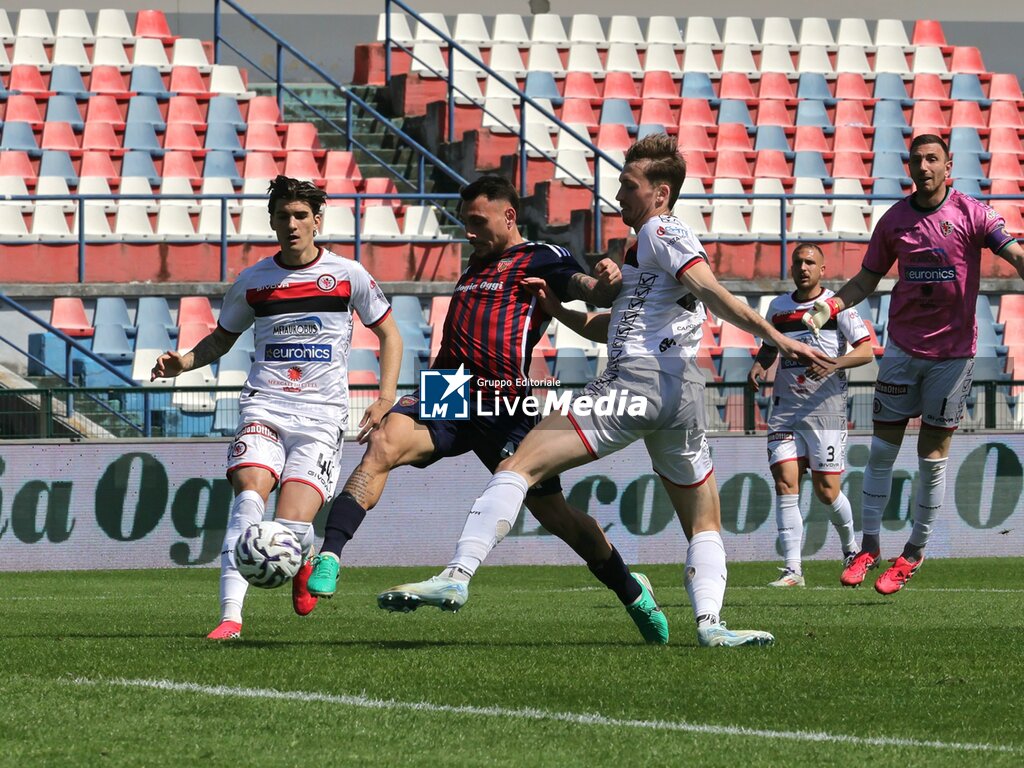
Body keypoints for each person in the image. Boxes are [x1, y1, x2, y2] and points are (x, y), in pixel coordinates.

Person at [383, 135, 833, 647]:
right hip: (680, 396)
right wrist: (555, 309)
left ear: (660, 194)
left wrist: (774, 337)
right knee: (704, 517)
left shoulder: (662, 231)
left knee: (517, 467)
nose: (618, 196)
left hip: (635, 385)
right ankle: (711, 625)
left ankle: (457, 575)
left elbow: (711, 289)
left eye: (628, 186)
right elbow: (611, 326)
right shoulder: (645, 259)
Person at [306, 174, 671, 644]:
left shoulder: (541, 255)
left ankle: (632, 593)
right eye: (464, 222)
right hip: (449, 389)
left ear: (509, 216)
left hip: (504, 401)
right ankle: (331, 555)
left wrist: (604, 282)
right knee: (384, 443)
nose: (468, 232)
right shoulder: (475, 267)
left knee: (557, 518)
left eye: (477, 222)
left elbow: (583, 288)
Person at [151, 175, 402, 639]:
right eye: (283, 216)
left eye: (301, 216)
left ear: (317, 220)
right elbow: (221, 340)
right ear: (271, 221)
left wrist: (385, 398)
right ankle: (230, 618)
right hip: (263, 408)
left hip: (322, 418)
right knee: (248, 505)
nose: (292, 224)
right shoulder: (253, 281)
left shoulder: (349, 276)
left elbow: (389, 333)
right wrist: (183, 362)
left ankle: (304, 557)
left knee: (289, 528)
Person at [803, 134, 1024, 594]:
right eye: (915, 160)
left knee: (931, 459)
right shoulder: (895, 221)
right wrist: (831, 306)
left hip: (953, 355)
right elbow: (867, 278)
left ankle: (914, 553)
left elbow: (1013, 251)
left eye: (931, 159)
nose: (922, 166)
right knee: (881, 452)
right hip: (902, 350)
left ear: (948, 167)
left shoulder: (971, 213)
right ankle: (868, 547)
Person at [748, 243, 873, 587]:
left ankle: (851, 549)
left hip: (826, 412)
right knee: (786, 483)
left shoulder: (837, 306)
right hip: (785, 411)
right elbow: (770, 345)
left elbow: (866, 352)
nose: (803, 267)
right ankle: (793, 570)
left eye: (810, 262)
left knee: (826, 491)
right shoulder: (778, 308)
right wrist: (760, 364)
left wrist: (836, 363)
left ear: (822, 269)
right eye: (798, 262)